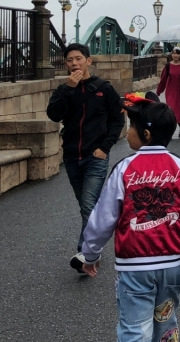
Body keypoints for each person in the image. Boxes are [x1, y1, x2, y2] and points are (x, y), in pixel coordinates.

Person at [80, 96, 180, 342]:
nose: (127, 133)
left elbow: (102, 219)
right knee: (166, 326)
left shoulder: (124, 168)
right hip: (172, 266)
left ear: (146, 134)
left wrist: (90, 254)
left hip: (134, 268)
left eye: (131, 127)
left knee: (133, 336)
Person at [46, 42, 125, 273]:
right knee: (85, 205)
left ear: (88, 61)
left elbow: (118, 120)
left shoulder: (103, 88)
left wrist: (104, 148)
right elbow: (54, 115)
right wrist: (69, 89)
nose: (74, 64)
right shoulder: (63, 90)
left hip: (95, 157)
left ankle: (86, 253)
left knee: (89, 206)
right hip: (72, 156)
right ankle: (96, 243)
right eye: (69, 60)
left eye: (78, 59)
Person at [156, 47, 180, 139]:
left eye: (177, 53)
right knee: (172, 110)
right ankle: (170, 130)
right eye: (173, 53)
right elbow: (163, 79)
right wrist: (159, 90)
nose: (175, 55)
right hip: (171, 91)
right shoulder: (168, 66)